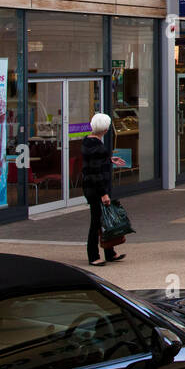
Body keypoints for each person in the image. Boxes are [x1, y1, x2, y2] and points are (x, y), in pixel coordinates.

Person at [81, 112, 126, 266]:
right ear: (105, 129)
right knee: (97, 222)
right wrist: (104, 194)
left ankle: (109, 251)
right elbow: (96, 173)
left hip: (90, 187)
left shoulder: (87, 142)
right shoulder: (99, 148)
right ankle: (93, 255)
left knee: (103, 219)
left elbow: (95, 164)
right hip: (97, 189)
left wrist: (109, 160)